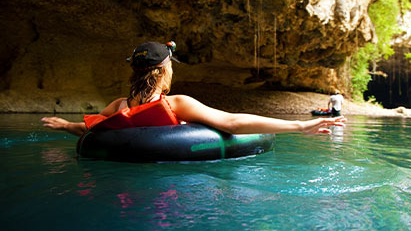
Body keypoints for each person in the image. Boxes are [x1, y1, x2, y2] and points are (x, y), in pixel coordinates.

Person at [42, 41, 346, 136]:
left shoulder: (120, 106)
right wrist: (300, 125)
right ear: (163, 70)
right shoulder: (177, 104)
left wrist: (64, 124)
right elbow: (232, 122)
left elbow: (92, 129)